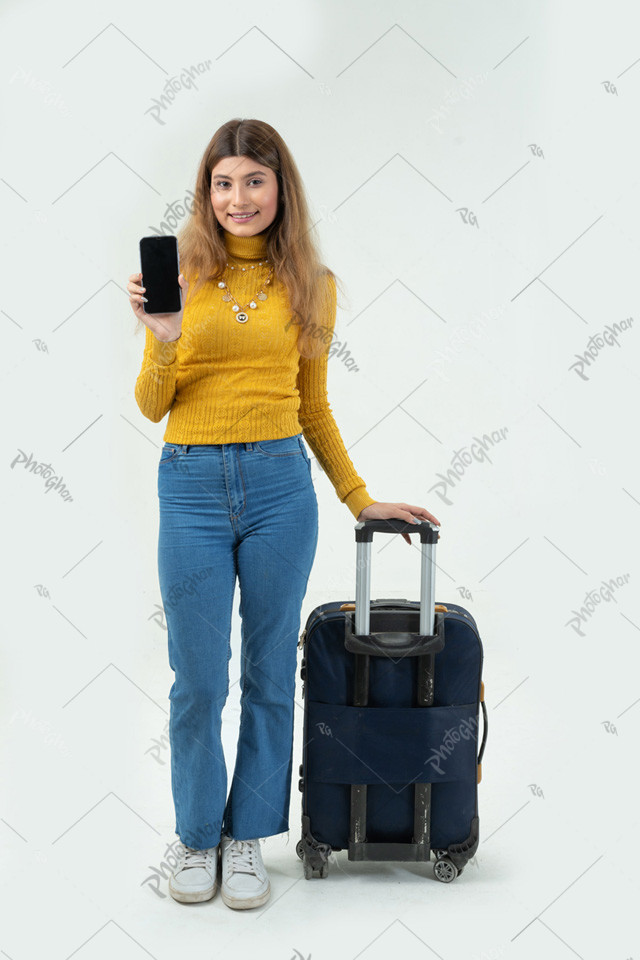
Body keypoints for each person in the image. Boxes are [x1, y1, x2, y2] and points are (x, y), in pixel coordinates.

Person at [129, 118, 441, 910]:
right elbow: (151, 404)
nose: (238, 199)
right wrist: (162, 338)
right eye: (223, 183)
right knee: (196, 681)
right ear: (207, 192)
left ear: (280, 189)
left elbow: (314, 407)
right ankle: (197, 834)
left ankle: (246, 838)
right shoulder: (183, 278)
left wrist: (357, 496)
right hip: (190, 484)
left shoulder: (313, 284)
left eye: (254, 182)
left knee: (270, 673)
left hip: (279, 487)